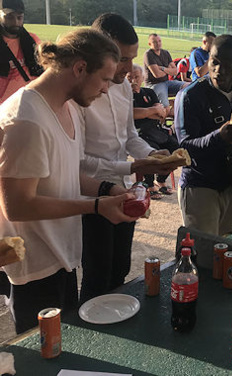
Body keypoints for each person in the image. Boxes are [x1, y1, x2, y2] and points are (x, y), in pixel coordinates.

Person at [0, 28, 138, 333]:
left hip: (62, 256)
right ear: (79, 68)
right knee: (46, 357)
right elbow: (18, 206)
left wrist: (108, 189)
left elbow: (65, 172)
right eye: (103, 79)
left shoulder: (68, 108)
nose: (106, 89)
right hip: (35, 266)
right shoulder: (27, 119)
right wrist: (96, 207)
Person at [78, 14, 182, 303]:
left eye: (131, 58)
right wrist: (135, 165)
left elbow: (129, 136)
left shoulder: (124, 87)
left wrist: (153, 155)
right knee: (97, 274)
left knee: (120, 268)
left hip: (123, 188)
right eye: (122, 58)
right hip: (92, 194)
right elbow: (77, 161)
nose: (129, 68)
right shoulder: (81, 92)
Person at [174, 35, 232, 236]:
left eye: (227, 65)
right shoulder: (190, 96)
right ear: (208, 58)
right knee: (203, 252)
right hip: (200, 185)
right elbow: (184, 148)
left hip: (230, 183)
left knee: (226, 248)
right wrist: (219, 136)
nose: (218, 70)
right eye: (214, 62)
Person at [128, 64, 179, 198]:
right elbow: (131, 114)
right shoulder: (125, 96)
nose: (133, 80)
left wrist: (145, 113)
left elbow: (162, 114)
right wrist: (153, 111)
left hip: (155, 131)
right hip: (137, 132)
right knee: (151, 149)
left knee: (176, 148)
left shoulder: (149, 92)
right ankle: (149, 184)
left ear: (143, 78)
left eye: (136, 77)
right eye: (129, 77)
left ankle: (161, 180)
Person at [0, 0, 43, 104]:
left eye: (19, 17)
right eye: (9, 17)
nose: (15, 22)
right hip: (4, 110)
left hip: (30, 104)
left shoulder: (33, 40)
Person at [143, 33, 188, 110]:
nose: (158, 44)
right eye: (155, 42)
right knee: (165, 108)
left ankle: (176, 107)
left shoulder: (165, 53)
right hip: (155, 84)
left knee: (188, 86)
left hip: (167, 82)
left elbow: (175, 71)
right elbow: (157, 74)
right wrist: (168, 70)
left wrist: (163, 68)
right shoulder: (148, 55)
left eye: (159, 41)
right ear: (149, 44)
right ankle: (162, 120)